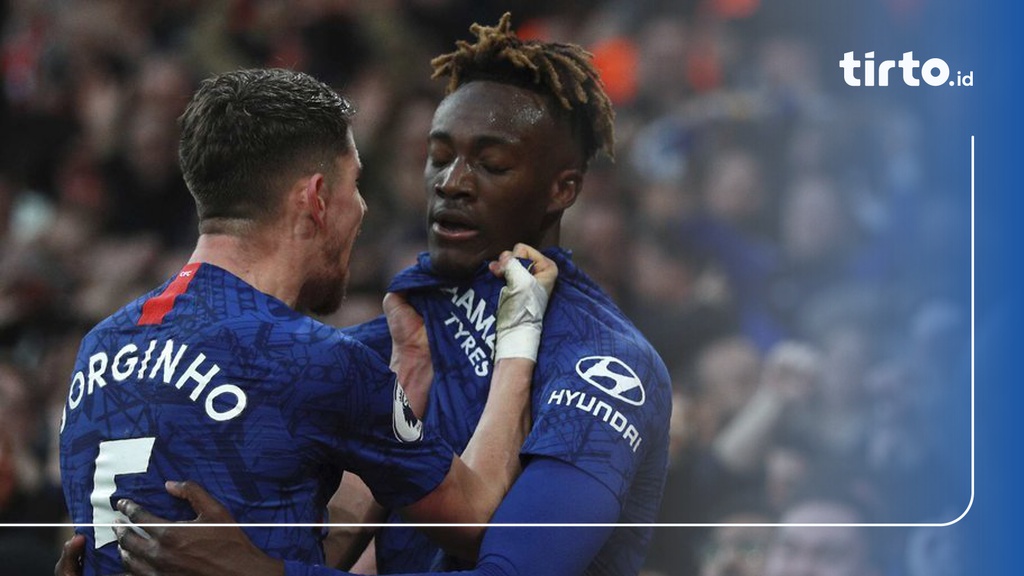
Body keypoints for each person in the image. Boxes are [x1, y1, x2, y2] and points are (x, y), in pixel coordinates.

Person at [61, 12, 673, 576]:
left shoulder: (601, 364)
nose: (451, 183)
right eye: (438, 157)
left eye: (491, 163)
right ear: (316, 198)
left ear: (563, 189)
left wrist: (267, 573)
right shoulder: (363, 351)